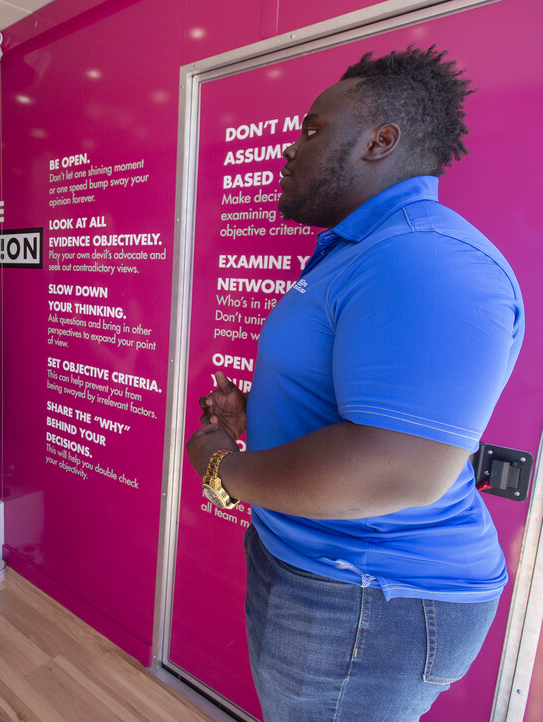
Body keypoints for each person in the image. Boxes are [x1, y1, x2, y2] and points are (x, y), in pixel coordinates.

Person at [186, 47, 523, 721]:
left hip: (372, 599)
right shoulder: (365, 253)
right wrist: (255, 409)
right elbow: (353, 409)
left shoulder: (425, 258)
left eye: (312, 130)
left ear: (381, 141)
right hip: (327, 574)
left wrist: (221, 468)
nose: (290, 149)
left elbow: (396, 471)